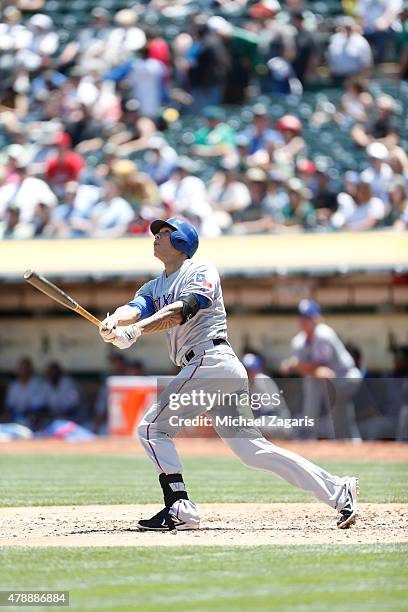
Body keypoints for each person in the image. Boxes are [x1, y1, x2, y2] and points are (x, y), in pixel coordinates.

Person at [99, 217, 359, 532]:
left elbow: (184, 309)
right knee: (252, 451)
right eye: (157, 233)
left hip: (212, 361)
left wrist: (136, 330)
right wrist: (116, 322)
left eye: (166, 233)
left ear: (183, 242)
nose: (157, 237)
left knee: (152, 428)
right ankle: (338, 490)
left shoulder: (201, 270)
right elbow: (136, 306)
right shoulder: (154, 285)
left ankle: (179, 506)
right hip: (210, 368)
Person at [281, 300, 362, 440]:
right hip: (325, 379)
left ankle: (350, 441)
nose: (304, 321)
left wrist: (295, 364)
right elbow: (310, 371)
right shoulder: (298, 341)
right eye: (302, 317)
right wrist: (299, 366)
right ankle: (309, 435)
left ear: (316, 318)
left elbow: (320, 365)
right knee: (312, 381)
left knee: (339, 415)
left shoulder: (324, 334)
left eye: (308, 317)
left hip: (345, 376)